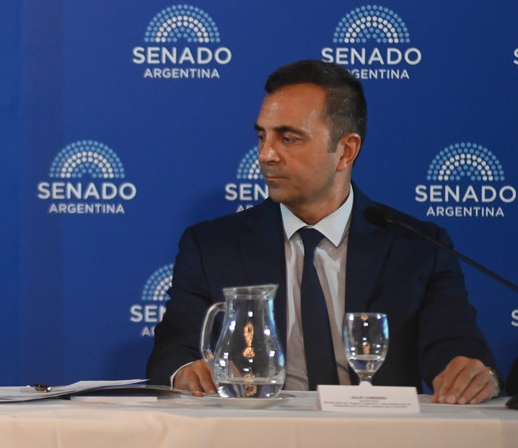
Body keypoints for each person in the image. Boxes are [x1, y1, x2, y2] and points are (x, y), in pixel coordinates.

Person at [147, 60, 500, 404]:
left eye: (288, 138)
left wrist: (466, 371)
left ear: (346, 151)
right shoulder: (212, 246)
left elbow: (453, 344)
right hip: (258, 428)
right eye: (262, 136)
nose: (266, 155)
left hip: (377, 431)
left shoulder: (417, 247)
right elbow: (173, 349)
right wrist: (184, 370)